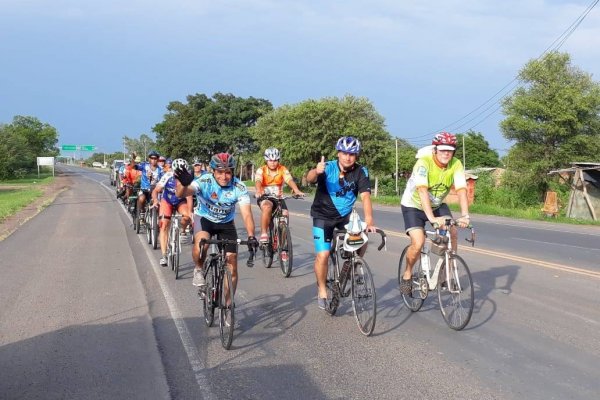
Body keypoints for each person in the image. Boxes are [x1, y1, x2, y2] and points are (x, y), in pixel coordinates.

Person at [306, 136, 377, 310]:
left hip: (345, 215)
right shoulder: (328, 167)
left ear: (356, 155)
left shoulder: (361, 171)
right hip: (322, 215)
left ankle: (354, 262)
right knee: (322, 255)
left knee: (363, 235)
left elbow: (365, 197)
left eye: (352, 154)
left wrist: (368, 220)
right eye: (344, 153)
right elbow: (309, 179)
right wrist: (316, 171)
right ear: (338, 153)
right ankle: (322, 290)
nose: (348, 157)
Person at [174, 152, 258, 295]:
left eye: (228, 172)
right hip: (205, 219)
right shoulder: (204, 181)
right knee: (201, 244)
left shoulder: (239, 187)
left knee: (232, 265)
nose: (224, 177)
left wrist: (251, 236)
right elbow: (181, 194)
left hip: (226, 223)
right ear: (213, 171)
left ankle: (227, 308)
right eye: (219, 172)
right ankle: (199, 269)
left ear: (233, 172)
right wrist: (184, 183)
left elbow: (247, 214)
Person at [399, 132, 470, 295]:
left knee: (452, 231)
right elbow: (423, 191)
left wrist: (465, 215)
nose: (446, 153)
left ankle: (446, 275)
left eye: (450, 150)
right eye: (442, 150)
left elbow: (461, 191)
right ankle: (408, 273)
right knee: (418, 242)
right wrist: (432, 219)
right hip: (414, 205)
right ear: (435, 150)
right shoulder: (424, 164)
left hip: (437, 204)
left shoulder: (456, 164)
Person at [254, 147, 305, 244]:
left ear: (278, 160)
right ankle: (264, 233)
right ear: (266, 160)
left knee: (285, 214)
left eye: (275, 160)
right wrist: (258, 191)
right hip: (265, 197)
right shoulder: (261, 170)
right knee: (267, 206)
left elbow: (289, 180)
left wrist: (296, 190)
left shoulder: (282, 169)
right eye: (270, 160)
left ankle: (283, 246)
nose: (273, 163)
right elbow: (258, 181)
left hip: (278, 198)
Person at [152, 159, 193, 266]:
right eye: (177, 171)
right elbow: (156, 190)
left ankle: (183, 231)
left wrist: (190, 212)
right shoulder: (167, 175)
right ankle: (164, 255)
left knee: (187, 216)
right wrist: (156, 200)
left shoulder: (187, 178)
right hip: (167, 201)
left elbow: (189, 198)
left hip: (180, 201)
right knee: (164, 224)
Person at [131, 150, 163, 218]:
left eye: (155, 158)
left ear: (157, 159)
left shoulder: (160, 169)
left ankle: (156, 219)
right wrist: (133, 158)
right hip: (144, 190)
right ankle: (141, 212)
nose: (153, 160)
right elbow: (134, 166)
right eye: (152, 158)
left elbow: (162, 181)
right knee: (141, 198)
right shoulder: (144, 166)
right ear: (149, 159)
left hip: (155, 191)